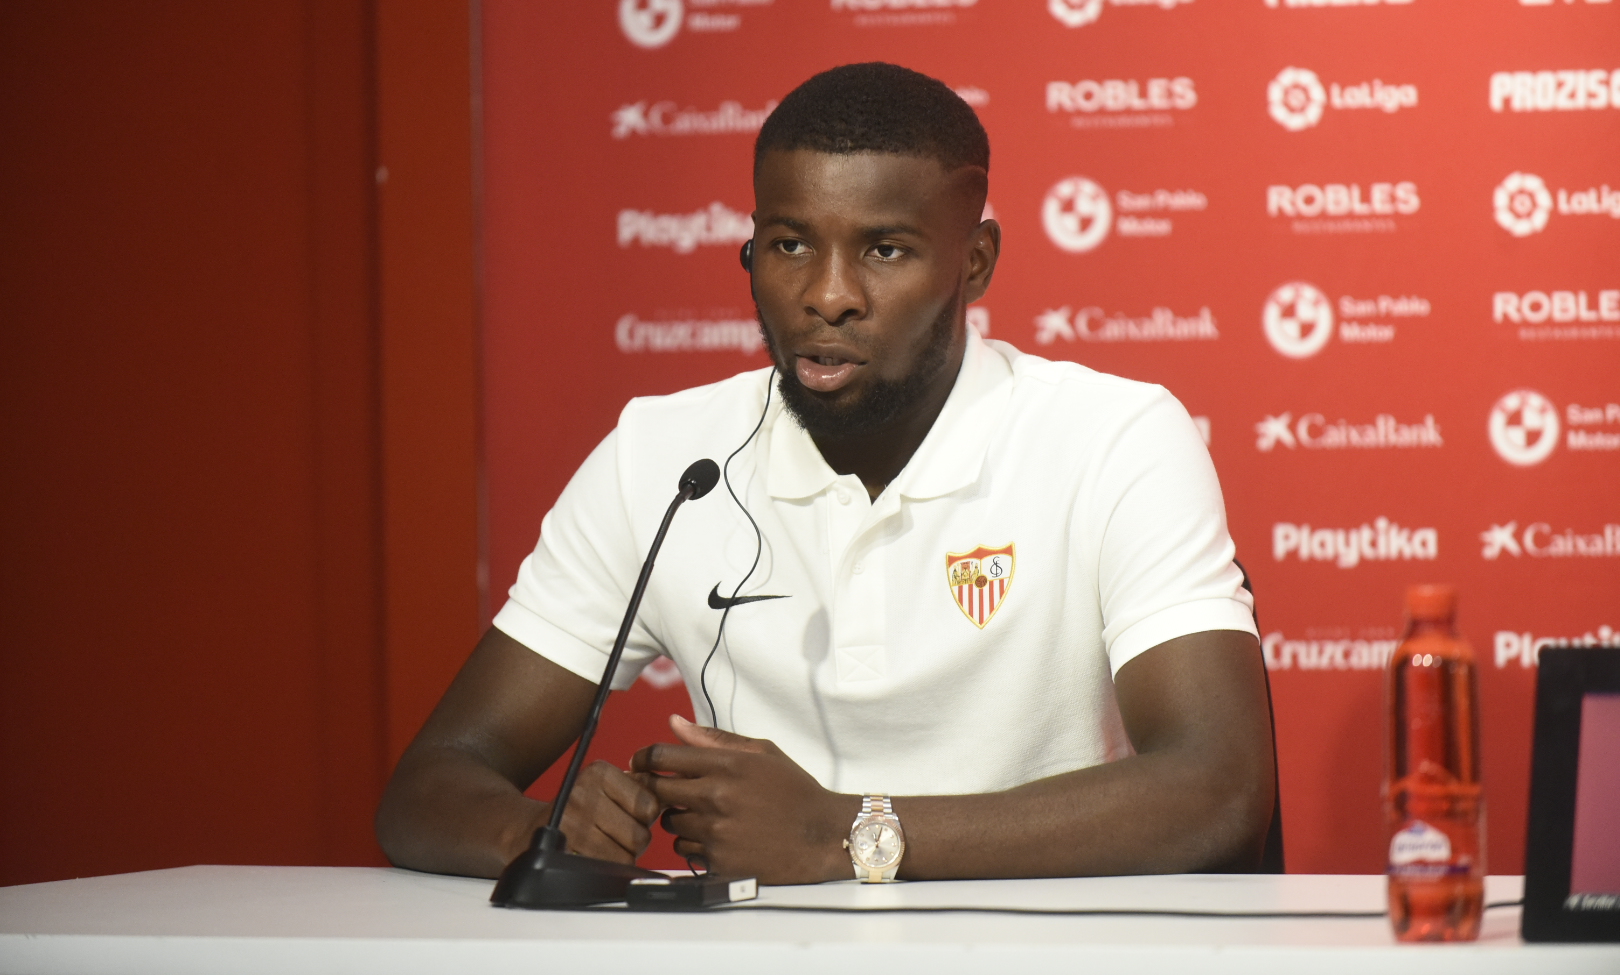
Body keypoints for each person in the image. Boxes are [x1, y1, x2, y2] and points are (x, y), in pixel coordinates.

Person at [376, 62, 1276, 885]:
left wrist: (844, 835)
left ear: (975, 260)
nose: (826, 294)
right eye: (790, 244)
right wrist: (536, 830)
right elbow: (431, 784)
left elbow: (1217, 791)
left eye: (884, 249)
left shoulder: (1111, 437)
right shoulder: (667, 457)